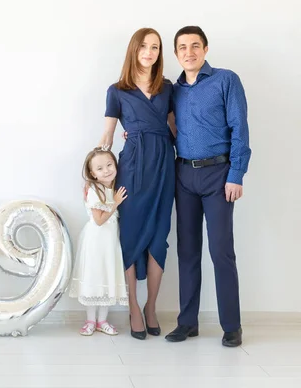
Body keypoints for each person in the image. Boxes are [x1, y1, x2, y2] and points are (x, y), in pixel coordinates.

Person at [164, 26, 251, 347]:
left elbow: (240, 127)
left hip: (219, 175)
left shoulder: (225, 80)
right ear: (176, 54)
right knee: (187, 252)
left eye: (195, 46)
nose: (189, 52)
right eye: (183, 47)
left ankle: (232, 325)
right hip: (183, 175)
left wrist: (236, 173)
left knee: (221, 251)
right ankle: (187, 322)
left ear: (205, 49)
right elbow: (169, 129)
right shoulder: (173, 91)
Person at [98, 28, 176, 340]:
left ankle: (151, 307)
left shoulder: (168, 88)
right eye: (144, 46)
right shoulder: (117, 90)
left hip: (163, 166)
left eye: (155, 47)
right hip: (131, 165)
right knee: (129, 235)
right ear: (134, 50)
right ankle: (132, 306)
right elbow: (106, 135)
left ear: (159, 53)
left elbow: (175, 128)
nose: (149, 51)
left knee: (160, 236)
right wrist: (95, 177)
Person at [69, 148, 129, 336]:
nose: (107, 170)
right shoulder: (95, 189)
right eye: (100, 168)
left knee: (107, 276)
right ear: (92, 173)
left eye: (109, 165)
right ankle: (90, 320)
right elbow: (99, 220)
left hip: (110, 242)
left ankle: (102, 321)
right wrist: (115, 203)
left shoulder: (113, 187)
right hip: (96, 241)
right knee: (94, 277)